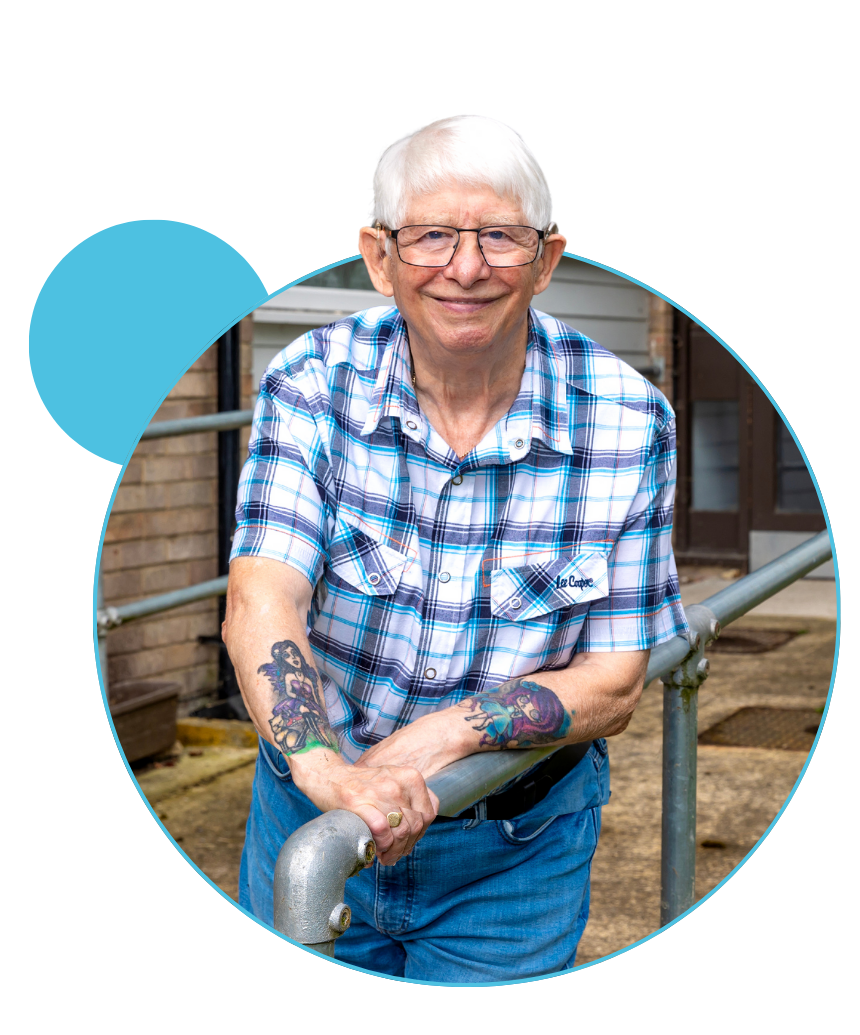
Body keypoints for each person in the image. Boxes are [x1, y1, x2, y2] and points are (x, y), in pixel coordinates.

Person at [223, 115, 687, 982]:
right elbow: (261, 598)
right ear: (379, 255)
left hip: (517, 848)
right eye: (431, 235)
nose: (465, 269)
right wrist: (328, 772)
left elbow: (615, 683)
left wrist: (440, 741)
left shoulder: (631, 422)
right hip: (311, 813)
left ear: (546, 260)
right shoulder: (310, 383)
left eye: (499, 239)